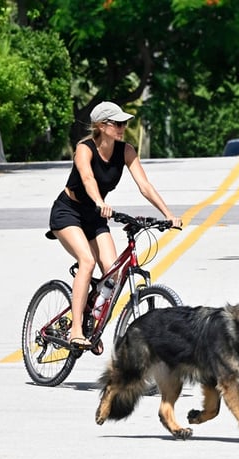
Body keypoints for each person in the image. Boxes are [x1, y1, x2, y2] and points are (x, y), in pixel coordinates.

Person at [46, 101, 182, 352]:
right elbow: (87, 177)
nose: (123, 127)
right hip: (68, 211)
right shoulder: (84, 149)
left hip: (95, 216)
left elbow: (145, 186)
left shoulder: (126, 151)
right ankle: (76, 330)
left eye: (125, 123)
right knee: (86, 260)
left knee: (113, 275)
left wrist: (169, 215)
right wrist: (99, 201)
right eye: (117, 123)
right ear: (101, 125)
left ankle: (92, 325)